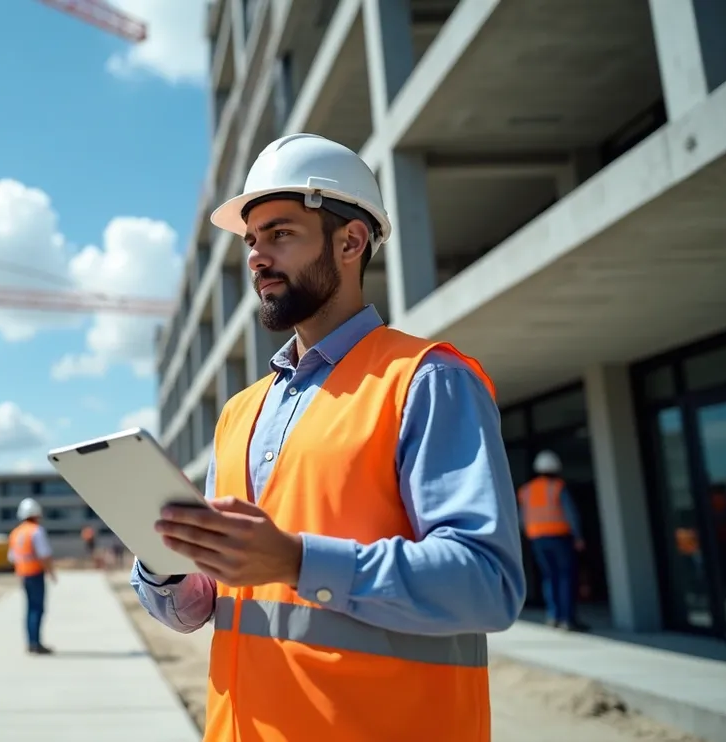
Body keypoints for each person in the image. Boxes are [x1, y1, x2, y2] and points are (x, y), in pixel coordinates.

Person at [129, 133, 526, 742]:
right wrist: (165, 561)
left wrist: (296, 559)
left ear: (350, 242)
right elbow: (203, 607)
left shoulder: (425, 380)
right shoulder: (240, 413)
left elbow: (486, 583)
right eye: (252, 241)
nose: (258, 257)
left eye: (281, 234)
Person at [518, 450, 588, 631]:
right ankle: (567, 619)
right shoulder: (558, 486)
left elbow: (521, 517)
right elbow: (570, 514)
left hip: (537, 540)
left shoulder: (526, 490)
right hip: (559, 538)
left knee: (549, 578)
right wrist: (578, 537)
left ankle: (553, 616)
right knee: (565, 577)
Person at [8, 497, 56, 655]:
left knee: (29, 609)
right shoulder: (36, 531)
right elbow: (44, 554)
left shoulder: (16, 532)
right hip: (35, 574)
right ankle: (36, 643)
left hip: (23, 574)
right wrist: (51, 572)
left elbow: (12, 557)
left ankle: (30, 642)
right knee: (37, 609)